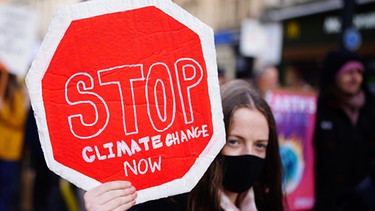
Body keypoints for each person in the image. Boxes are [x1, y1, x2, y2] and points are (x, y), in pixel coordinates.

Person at [84, 79, 285, 211]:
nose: (248, 154)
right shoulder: (172, 204)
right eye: (234, 142)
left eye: (260, 145)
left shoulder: (266, 204)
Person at [313, 50, 375, 211]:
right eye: (349, 72)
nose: (355, 78)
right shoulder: (317, 108)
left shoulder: (371, 108)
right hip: (328, 203)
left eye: (359, 72)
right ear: (334, 75)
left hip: (365, 202)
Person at [0, 63, 29, 211]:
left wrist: (3, 110)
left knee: (8, 189)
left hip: (10, 151)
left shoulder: (17, 93)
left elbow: (18, 120)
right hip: (3, 149)